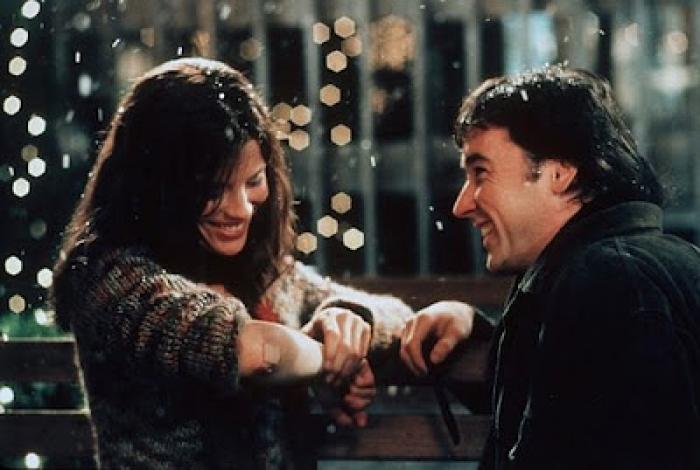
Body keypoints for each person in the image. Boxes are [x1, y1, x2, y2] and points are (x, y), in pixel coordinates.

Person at [50, 57, 411, 469]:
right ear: (158, 187)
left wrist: (346, 317)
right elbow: (255, 352)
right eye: (213, 189)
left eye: (253, 181)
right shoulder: (111, 280)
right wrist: (332, 362)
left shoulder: (262, 272)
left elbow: (397, 317)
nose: (240, 209)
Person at [400, 65, 700, 469]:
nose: (462, 204)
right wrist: (471, 323)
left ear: (559, 173)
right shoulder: (633, 266)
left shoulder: (605, 283)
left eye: (480, 173)